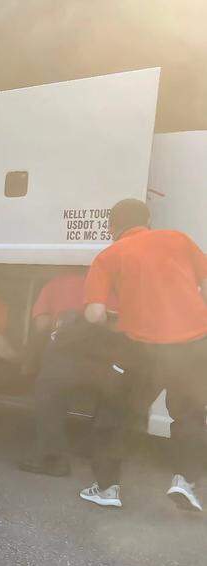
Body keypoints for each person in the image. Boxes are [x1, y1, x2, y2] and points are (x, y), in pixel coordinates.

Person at [80, 198, 207, 511]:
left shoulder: (109, 256)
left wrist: (114, 315)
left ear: (112, 226)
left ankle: (108, 488)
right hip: (193, 342)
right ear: (147, 220)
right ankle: (185, 482)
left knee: (118, 414)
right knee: (190, 414)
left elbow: (94, 315)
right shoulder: (178, 239)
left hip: (143, 348)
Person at [19, 269, 122, 477]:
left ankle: (51, 459)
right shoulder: (108, 286)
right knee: (110, 396)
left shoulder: (54, 284)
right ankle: (94, 448)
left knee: (49, 393)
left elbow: (42, 325)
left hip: (67, 352)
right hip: (104, 354)